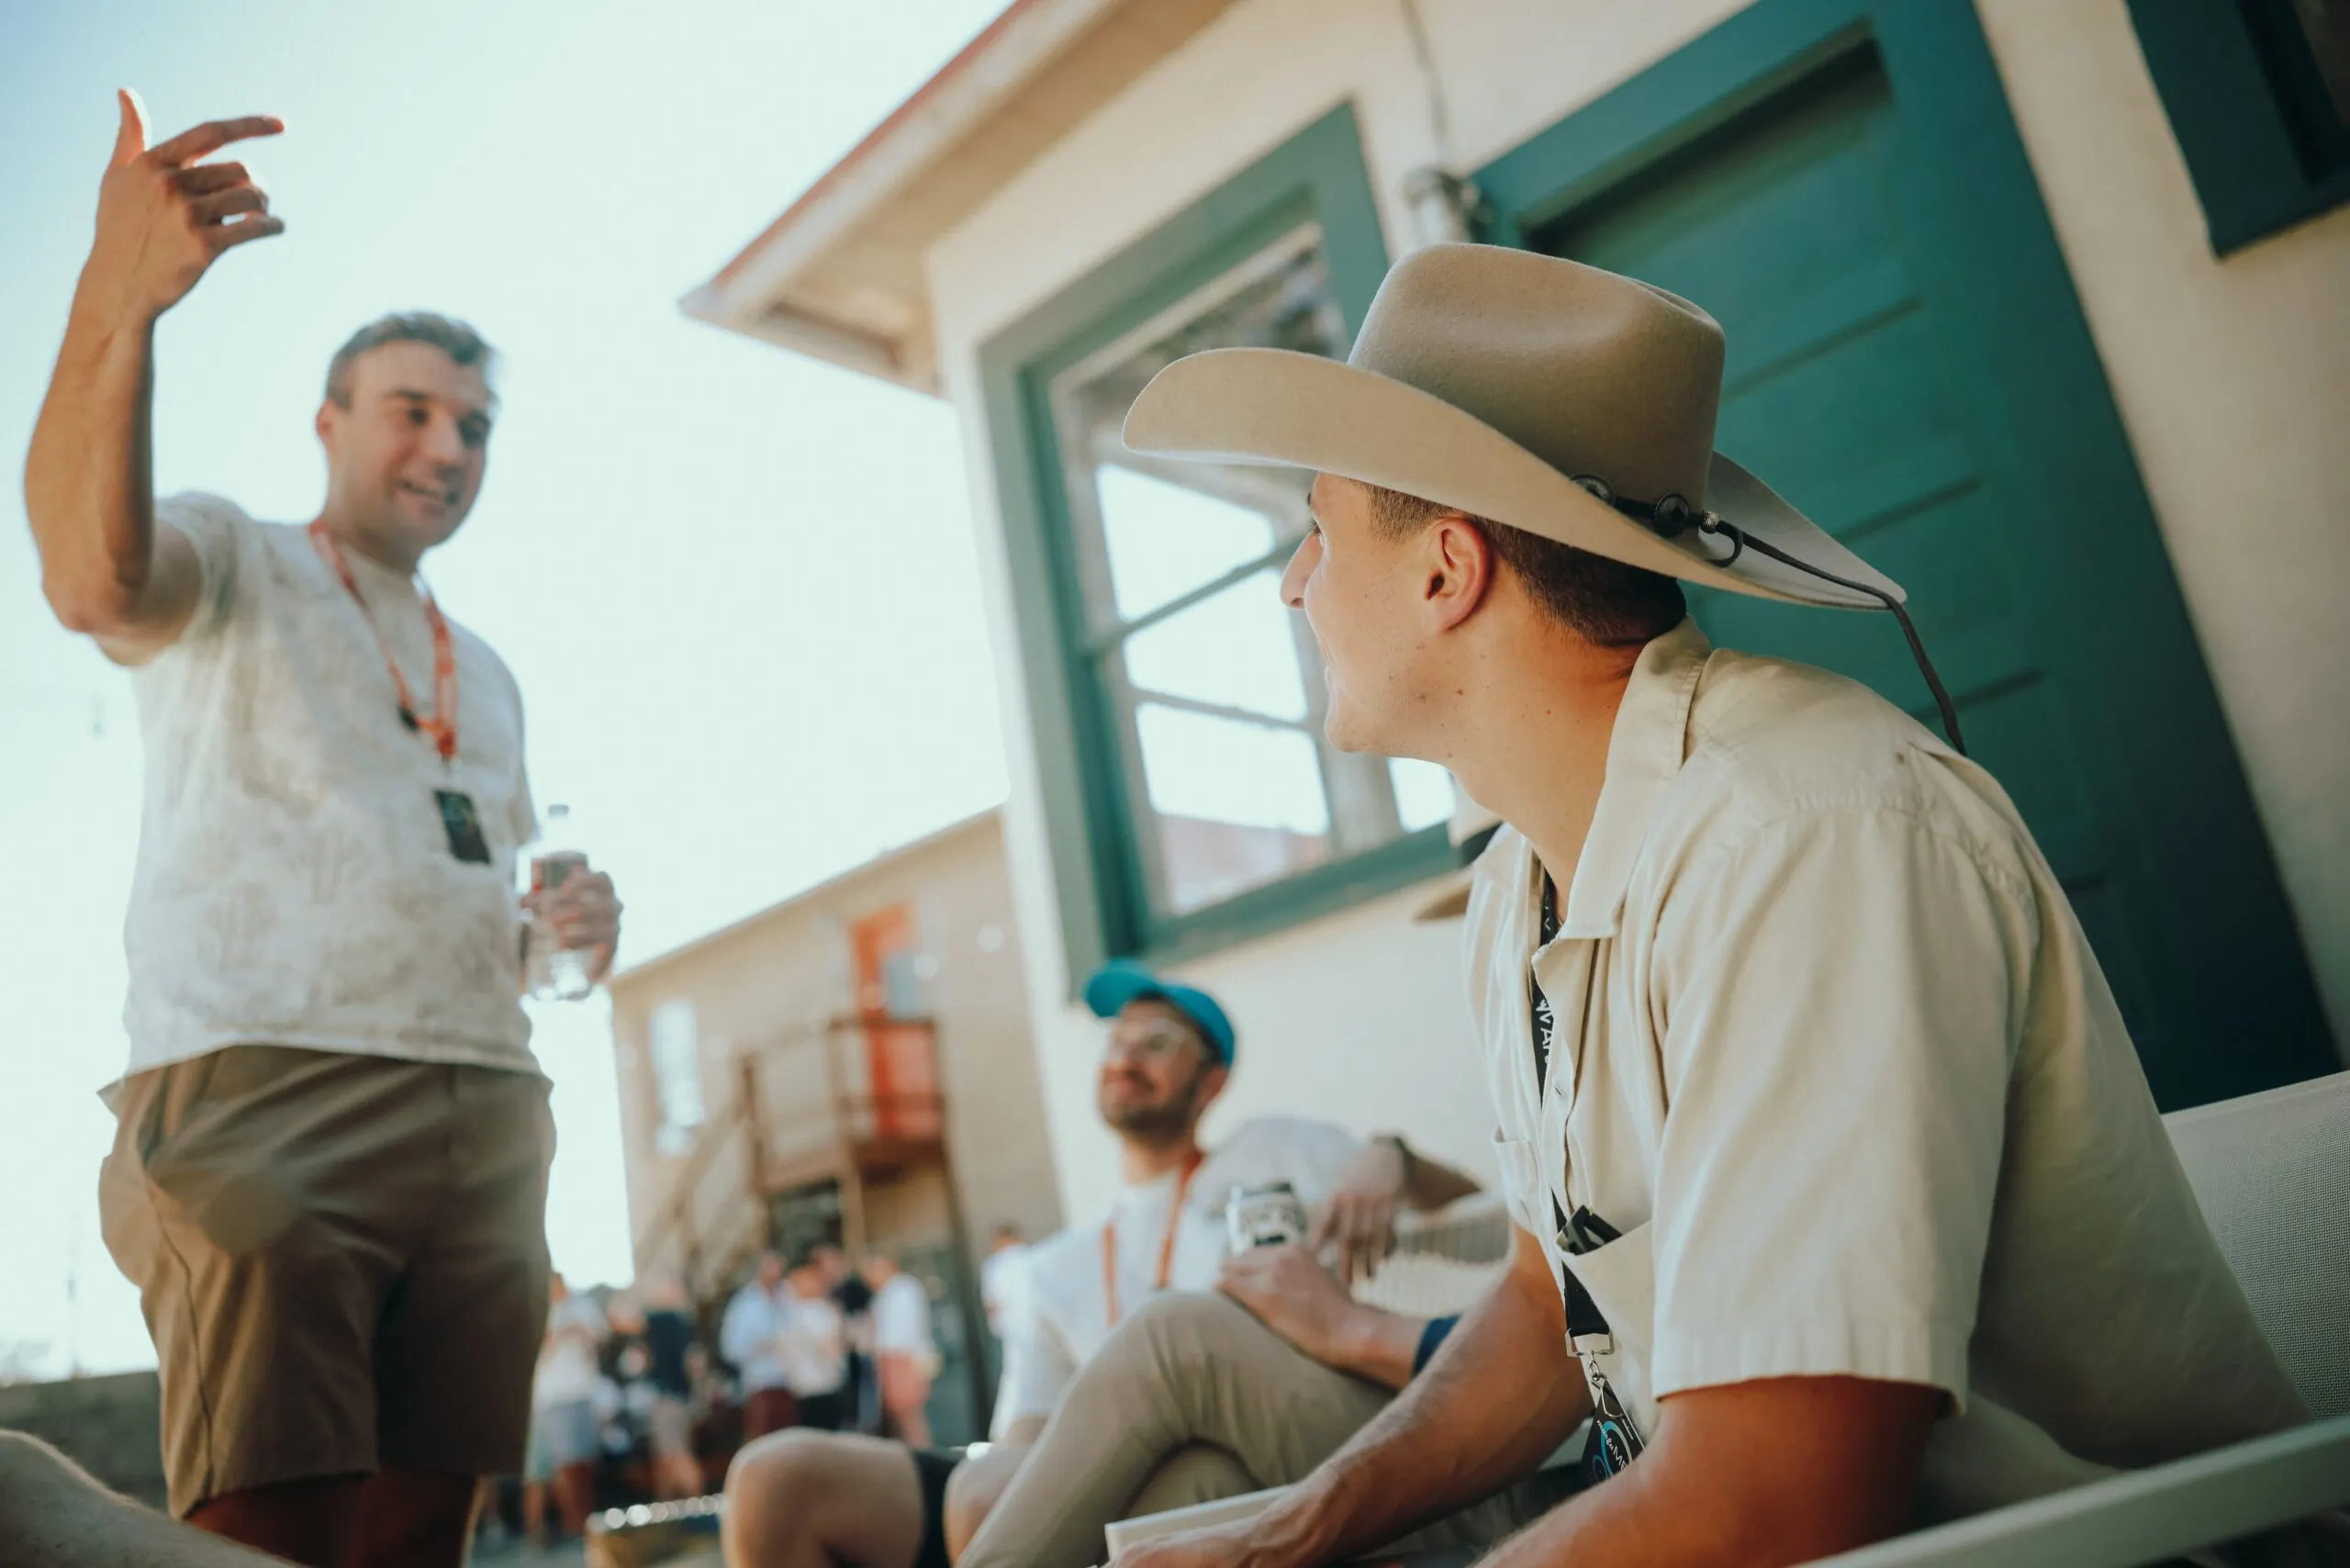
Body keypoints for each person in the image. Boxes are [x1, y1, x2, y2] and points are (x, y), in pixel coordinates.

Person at [1094, 242, 2311, 1567]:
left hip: (2084, 1550)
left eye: (1319, 530)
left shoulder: (1809, 833)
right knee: (1197, 1504)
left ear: (1447, 570)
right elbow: (1548, 1304)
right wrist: (1293, 1532)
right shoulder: (1517, 884)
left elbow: (1774, 1504)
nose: (1293, 581)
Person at [26, 95, 623, 1568]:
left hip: (487, 1100)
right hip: (266, 1083)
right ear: (330, 423)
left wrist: (560, 943)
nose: (449, 445)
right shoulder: (236, 556)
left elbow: (470, 882)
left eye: (474, 425)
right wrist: (120, 303)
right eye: (411, 410)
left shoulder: (488, 669)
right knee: (267, 1532)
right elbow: (92, 581)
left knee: (425, 1533)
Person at [721, 959, 1483, 1568]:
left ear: (1211, 1082)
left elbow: (1475, 1211)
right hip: (1080, 1474)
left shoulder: (1274, 1151)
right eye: (1118, 1040)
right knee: (773, 1479)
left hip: (1238, 1452)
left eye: (1159, 1042)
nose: (1127, 1055)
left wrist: (1394, 1156)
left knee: (992, 1492)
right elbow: (1027, 1431)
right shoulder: (1056, 1267)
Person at [524, 1275, 607, 1546]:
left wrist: (580, 1332)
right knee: (561, 1468)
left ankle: (584, 1524)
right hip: (551, 1401)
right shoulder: (537, 1312)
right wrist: (560, 1334)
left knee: (582, 1464)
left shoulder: (582, 1307)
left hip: (581, 1394)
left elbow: (601, 1339)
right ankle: (572, 1527)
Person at [721, 1254, 800, 1440]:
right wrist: (763, 1345)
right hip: (760, 1384)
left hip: (789, 1384)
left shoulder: (788, 1298)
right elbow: (731, 1348)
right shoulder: (744, 1304)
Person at [863, 1254, 940, 1448]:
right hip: (895, 1358)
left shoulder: (902, 1290)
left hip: (902, 1358)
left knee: (910, 1414)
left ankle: (922, 1454)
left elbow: (902, 1334)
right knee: (901, 1415)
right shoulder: (886, 1293)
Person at [642, 1274, 707, 1500]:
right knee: (665, 1460)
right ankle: (671, 1511)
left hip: (668, 1398)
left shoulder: (664, 1319)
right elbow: (696, 1364)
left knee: (676, 1455)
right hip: (679, 1397)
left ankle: (700, 1508)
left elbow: (620, 1318)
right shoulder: (684, 1323)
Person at [780, 1259, 853, 1433]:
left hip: (804, 1385)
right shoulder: (819, 1312)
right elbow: (830, 1347)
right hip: (824, 1383)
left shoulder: (794, 1314)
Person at [979, 1222, 1029, 1349]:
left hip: (1009, 1331)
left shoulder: (994, 1265)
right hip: (1040, 1327)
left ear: (1001, 1239)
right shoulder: (1033, 1255)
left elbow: (991, 1305)